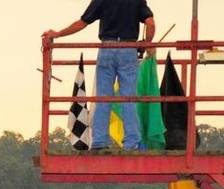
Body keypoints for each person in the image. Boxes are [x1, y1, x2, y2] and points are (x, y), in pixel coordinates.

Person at [43, 0, 156, 150]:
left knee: (103, 97)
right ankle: (131, 142)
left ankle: (99, 141)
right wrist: (147, 43)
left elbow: (82, 23)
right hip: (129, 49)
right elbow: (150, 23)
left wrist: (57, 34)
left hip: (106, 48)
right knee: (128, 98)